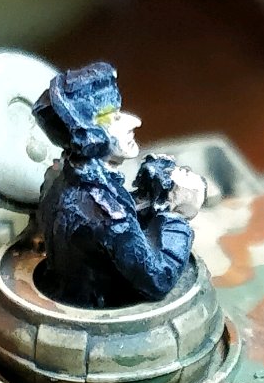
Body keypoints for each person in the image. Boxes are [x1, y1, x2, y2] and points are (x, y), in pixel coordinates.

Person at [30, 63, 208, 309]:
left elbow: (105, 227)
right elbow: (159, 278)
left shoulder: (57, 175)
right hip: (100, 313)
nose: (134, 121)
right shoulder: (106, 214)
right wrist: (177, 216)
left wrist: (150, 201)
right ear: (90, 135)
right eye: (113, 117)